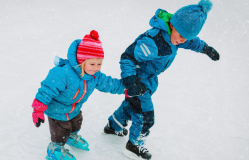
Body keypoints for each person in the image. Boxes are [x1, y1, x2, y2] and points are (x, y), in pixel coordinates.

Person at [103, 0, 220, 159]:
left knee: (133, 106)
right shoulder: (154, 41)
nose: (182, 41)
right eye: (181, 36)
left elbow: (192, 42)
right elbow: (128, 57)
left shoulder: (176, 37)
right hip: (138, 81)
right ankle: (134, 145)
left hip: (147, 80)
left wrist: (206, 49)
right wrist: (131, 81)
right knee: (145, 115)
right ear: (173, 25)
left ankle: (114, 124)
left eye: (185, 38)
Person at [31, 30, 125, 160]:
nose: (96, 68)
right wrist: (38, 110)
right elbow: (46, 90)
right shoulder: (63, 73)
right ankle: (55, 149)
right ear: (81, 61)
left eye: (99, 64)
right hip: (57, 110)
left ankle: (71, 137)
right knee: (61, 130)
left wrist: (126, 88)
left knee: (76, 122)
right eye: (92, 64)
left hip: (74, 108)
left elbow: (108, 84)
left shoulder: (94, 75)